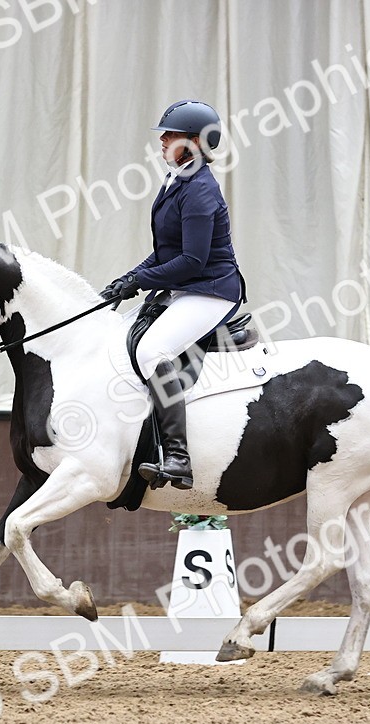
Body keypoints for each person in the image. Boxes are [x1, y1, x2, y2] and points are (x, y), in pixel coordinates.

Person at [101, 99, 247, 490]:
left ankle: (179, 458)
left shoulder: (199, 189)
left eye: (171, 134)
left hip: (211, 290)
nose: (162, 140)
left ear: (197, 143)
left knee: (153, 351)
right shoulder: (179, 181)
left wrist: (140, 281)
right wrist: (128, 278)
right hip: (188, 285)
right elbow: (168, 252)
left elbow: (192, 261)